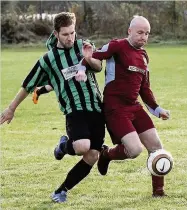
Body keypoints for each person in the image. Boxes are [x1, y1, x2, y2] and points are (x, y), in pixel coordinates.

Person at [0, 12, 105, 203]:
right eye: (65, 34)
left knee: (92, 155)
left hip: (96, 108)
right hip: (74, 110)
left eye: (72, 33)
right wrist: (11, 109)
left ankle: (61, 190)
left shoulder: (84, 45)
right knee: (82, 146)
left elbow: (98, 67)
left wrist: (88, 58)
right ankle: (64, 146)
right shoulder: (48, 60)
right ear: (56, 34)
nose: (70, 38)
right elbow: (28, 85)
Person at [82, 15, 171, 197]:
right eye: (140, 32)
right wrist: (85, 64)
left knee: (157, 148)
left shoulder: (144, 56)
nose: (143, 37)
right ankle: (106, 154)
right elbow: (94, 57)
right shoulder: (117, 45)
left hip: (134, 107)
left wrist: (157, 109)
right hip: (115, 108)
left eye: (147, 33)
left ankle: (159, 192)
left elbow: (145, 89)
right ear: (129, 31)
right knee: (135, 150)